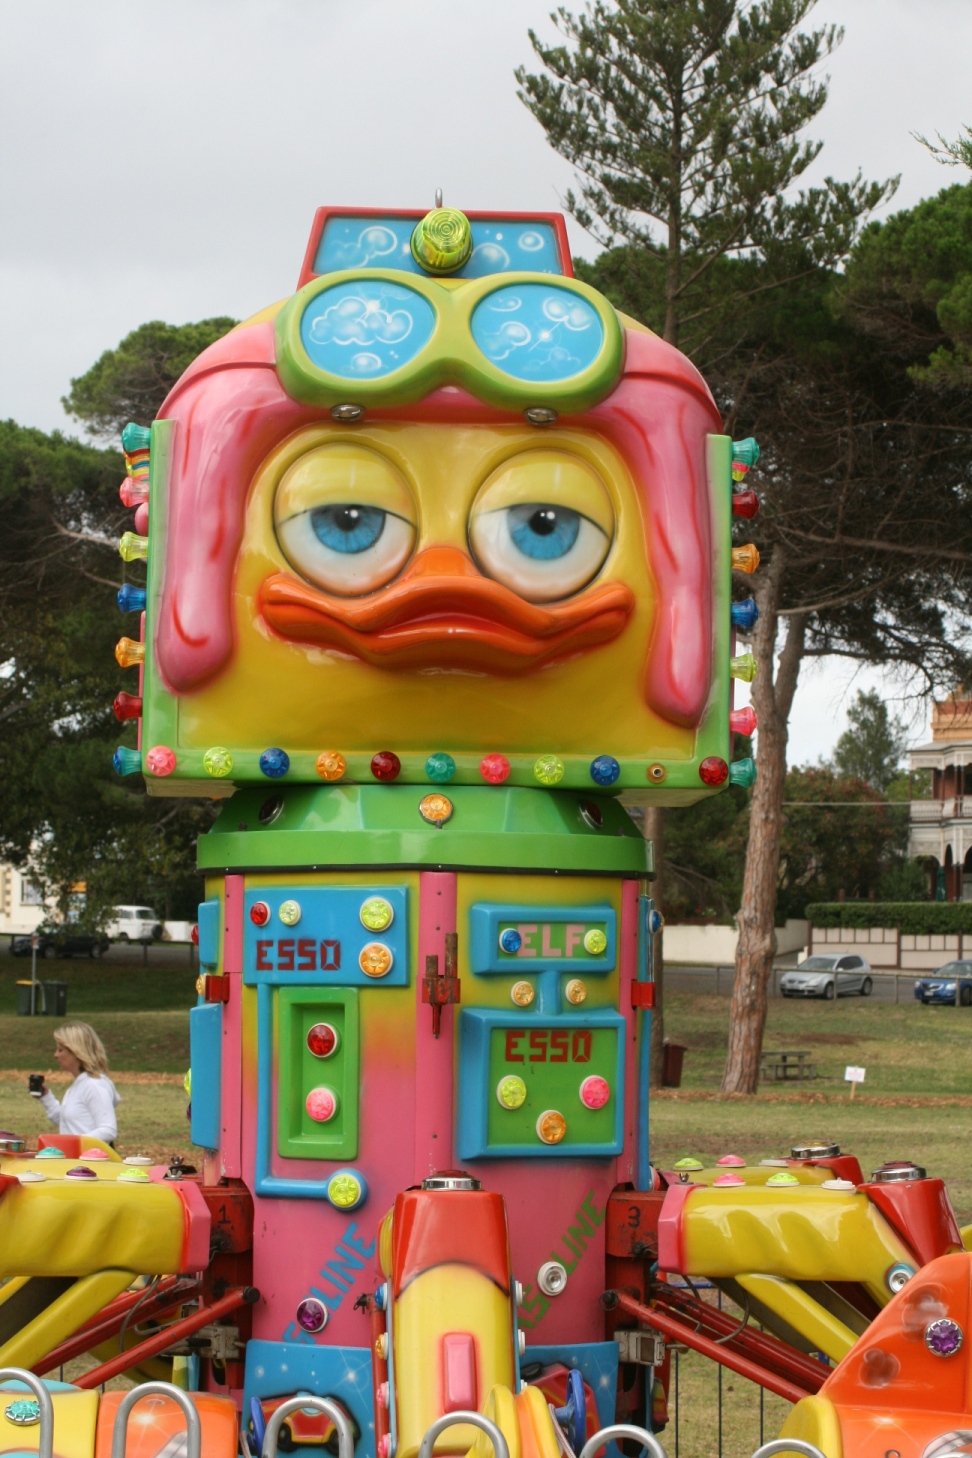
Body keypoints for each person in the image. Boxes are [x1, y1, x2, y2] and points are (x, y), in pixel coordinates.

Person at [33, 1022, 120, 1142]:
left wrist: (73, 1144)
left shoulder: (94, 1085)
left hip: (86, 1154)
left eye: (60, 1050)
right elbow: (68, 1123)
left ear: (76, 1052)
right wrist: (46, 1097)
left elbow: (108, 1130)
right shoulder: (79, 1084)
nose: (55, 1055)